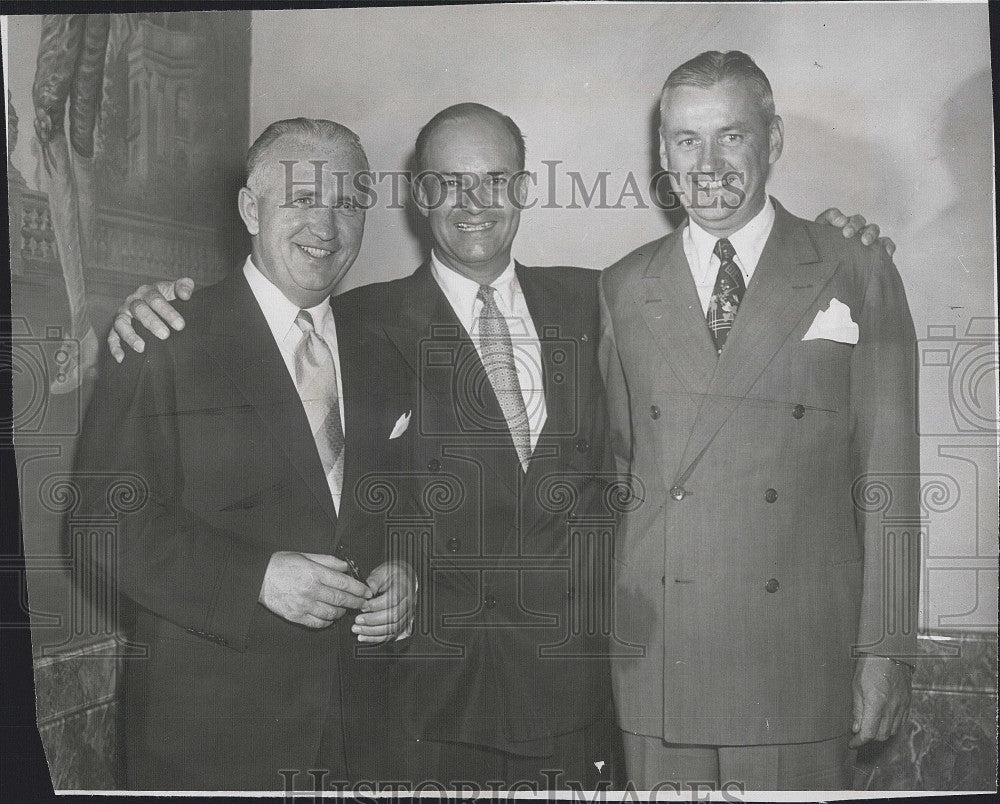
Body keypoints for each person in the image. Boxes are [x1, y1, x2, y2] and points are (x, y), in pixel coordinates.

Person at [106, 104, 892, 790]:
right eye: (448, 182)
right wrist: (151, 303)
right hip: (421, 714)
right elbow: (291, 394)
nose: (471, 204)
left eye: (494, 181)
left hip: (582, 698)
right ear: (420, 198)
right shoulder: (361, 323)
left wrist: (825, 245)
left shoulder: (610, 298)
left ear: (523, 189)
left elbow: (731, 316)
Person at [598, 51, 919, 790]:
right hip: (663, 662)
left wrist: (888, 650)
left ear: (773, 142)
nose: (707, 164)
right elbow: (621, 477)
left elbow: (890, 477)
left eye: (731, 136)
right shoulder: (623, 286)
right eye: (685, 140)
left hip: (798, 662)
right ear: (662, 152)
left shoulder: (853, 268)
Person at [74, 118, 417, 791]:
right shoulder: (166, 336)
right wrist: (254, 578)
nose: (326, 225)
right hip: (210, 738)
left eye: (348, 202)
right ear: (249, 209)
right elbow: (102, 524)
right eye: (301, 198)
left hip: (360, 735)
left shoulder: (384, 349)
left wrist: (406, 570)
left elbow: (401, 505)